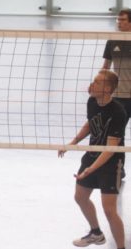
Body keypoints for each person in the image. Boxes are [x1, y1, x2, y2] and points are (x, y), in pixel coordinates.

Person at [58, 69, 126, 249]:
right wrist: (72, 143)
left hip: (111, 162)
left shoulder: (118, 112)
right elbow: (90, 123)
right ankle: (96, 233)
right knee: (80, 197)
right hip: (92, 155)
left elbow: (110, 149)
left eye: (97, 82)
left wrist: (90, 169)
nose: (91, 85)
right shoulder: (92, 101)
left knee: (109, 210)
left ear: (107, 88)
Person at [102, 8, 131, 126]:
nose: (119, 22)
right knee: (116, 129)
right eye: (118, 19)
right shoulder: (112, 40)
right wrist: (99, 85)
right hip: (118, 95)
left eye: (123, 20)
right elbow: (105, 67)